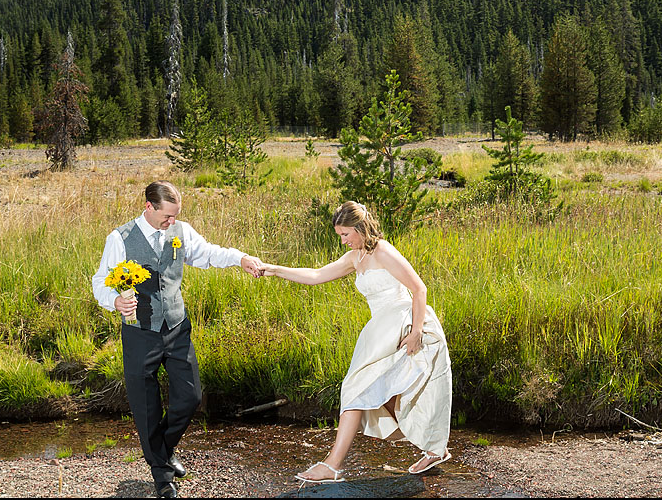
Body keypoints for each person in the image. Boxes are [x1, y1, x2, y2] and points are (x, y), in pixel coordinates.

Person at [91, 180, 265, 499]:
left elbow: (208, 253)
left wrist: (240, 258)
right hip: (139, 331)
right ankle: (162, 475)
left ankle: (163, 450)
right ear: (149, 207)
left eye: (176, 216)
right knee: (146, 405)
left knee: (190, 396)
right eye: (166, 217)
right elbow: (100, 280)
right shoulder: (119, 238)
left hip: (176, 325)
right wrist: (113, 300)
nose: (172, 222)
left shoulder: (180, 232)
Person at [262, 200, 453, 483]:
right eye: (340, 235)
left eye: (346, 234)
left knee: (359, 387)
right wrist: (274, 269)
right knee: (386, 394)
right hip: (380, 329)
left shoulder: (383, 251)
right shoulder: (356, 258)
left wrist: (415, 332)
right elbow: (316, 276)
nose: (343, 241)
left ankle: (333, 465)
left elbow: (418, 288)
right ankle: (434, 449)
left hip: (403, 322)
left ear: (361, 228)